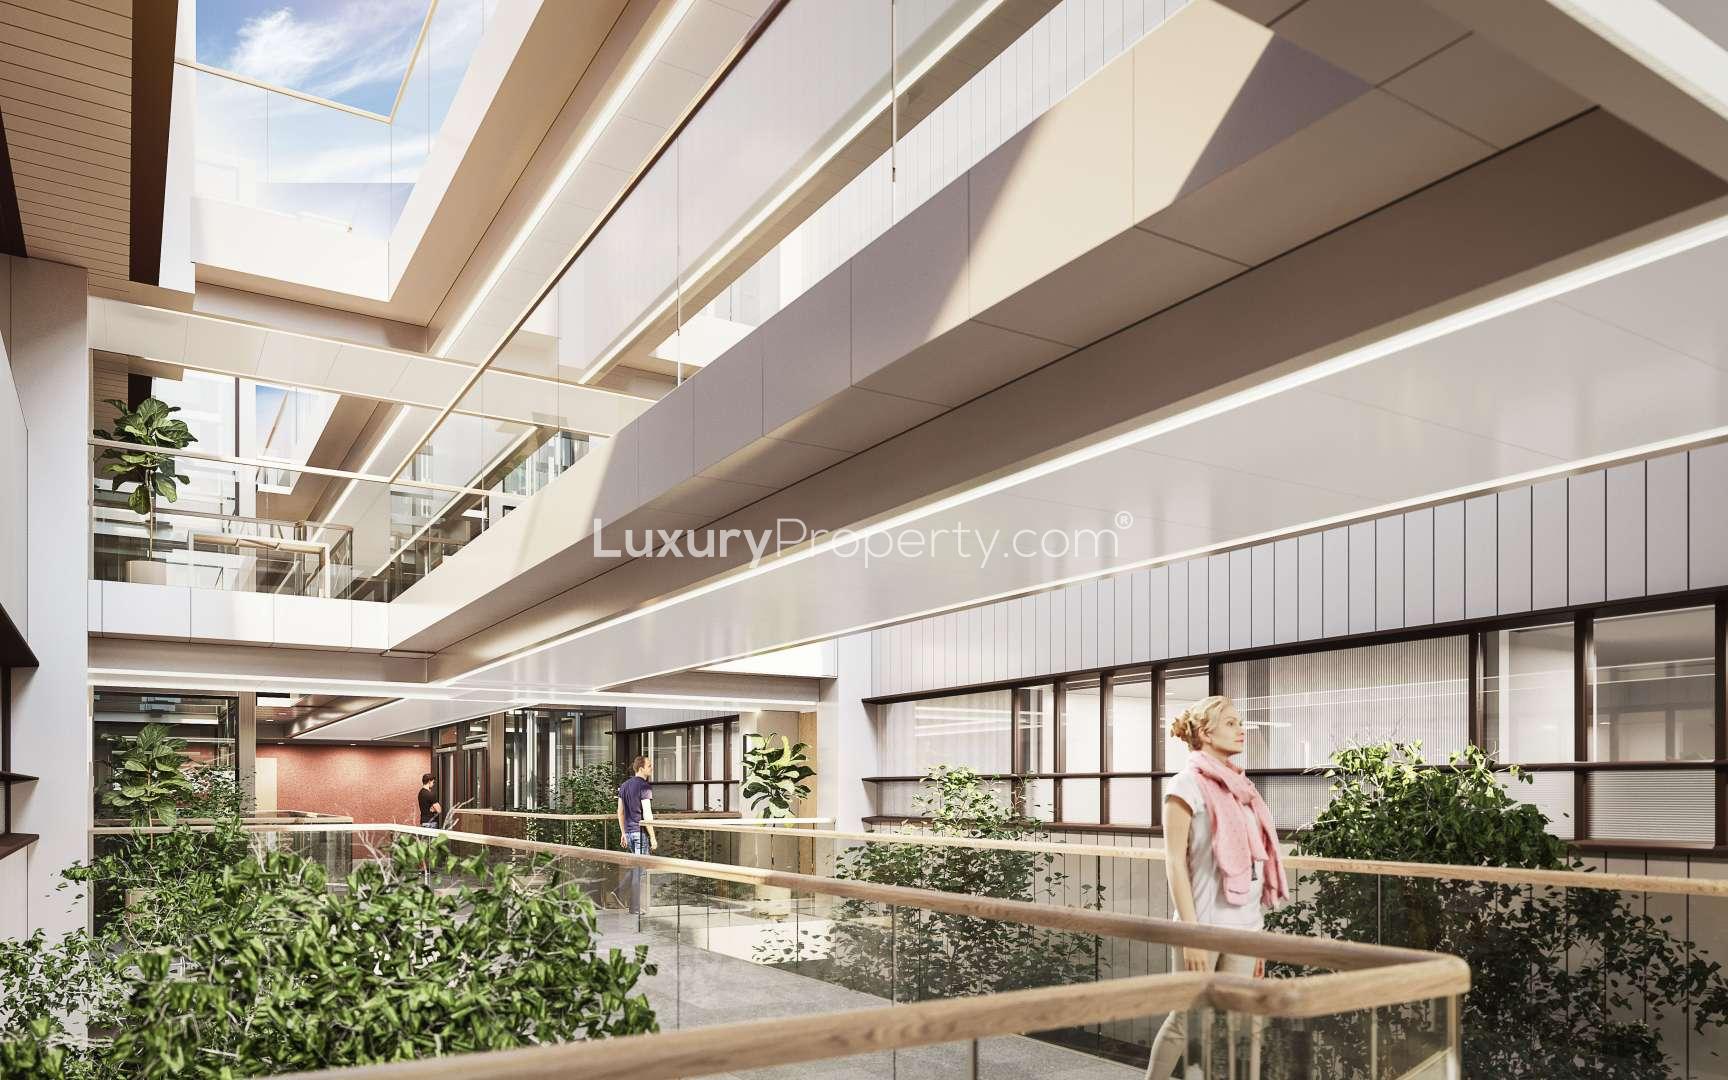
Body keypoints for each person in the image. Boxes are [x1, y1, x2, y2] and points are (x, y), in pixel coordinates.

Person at [1146, 695, 1287, 1079]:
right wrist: (1190, 934)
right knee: (1188, 1023)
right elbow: (1175, 861)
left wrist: (1257, 931)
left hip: (1245, 925)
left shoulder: (1243, 790)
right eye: (1230, 723)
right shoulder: (1185, 785)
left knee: (1248, 1027)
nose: (1241, 730)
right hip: (1202, 924)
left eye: (1240, 722)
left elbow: (1255, 863)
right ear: (1204, 733)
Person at [615, 756, 658, 915]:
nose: (651, 768)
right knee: (640, 869)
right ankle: (630, 903)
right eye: (649, 765)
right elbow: (647, 814)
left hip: (630, 833)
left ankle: (621, 895)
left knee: (637, 868)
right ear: (640, 768)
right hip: (640, 833)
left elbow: (620, 812)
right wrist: (653, 837)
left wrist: (624, 833)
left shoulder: (624, 785)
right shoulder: (644, 787)